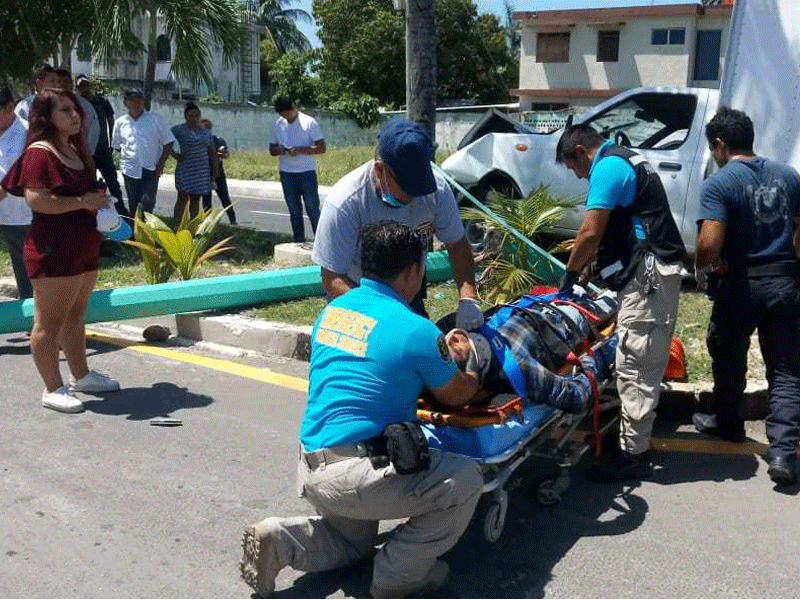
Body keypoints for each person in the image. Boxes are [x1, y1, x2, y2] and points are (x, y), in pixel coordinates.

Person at [240, 221, 484, 599]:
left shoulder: (334, 310)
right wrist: (471, 363)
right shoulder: (416, 330)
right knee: (466, 479)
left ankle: (281, 539)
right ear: (413, 270)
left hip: (313, 462)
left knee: (352, 544)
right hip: (358, 473)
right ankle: (397, 577)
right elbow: (455, 394)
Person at [556, 124, 686, 482]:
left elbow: (590, 231)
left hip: (649, 280)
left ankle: (633, 456)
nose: (579, 177)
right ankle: (631, 441)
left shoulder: (608, 167)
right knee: (634, 360)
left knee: (636, 364)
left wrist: (569, 274)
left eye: (575, 168)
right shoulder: (626, 160)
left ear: (580, 151)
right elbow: (618, 228)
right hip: (650, 275)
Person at [692, 107, 800, 486]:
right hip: (784, 283)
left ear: (720, 144)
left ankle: (729, 424)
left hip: (740, 284)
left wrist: (701, 268)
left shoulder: (720, 183)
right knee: (785, 368)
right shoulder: (789, 176)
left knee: (727, 354)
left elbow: (709, 243)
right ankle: (784, 451)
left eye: (713, 148)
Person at [0, 89, 120, 413]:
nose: (75, 115)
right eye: (65, 110)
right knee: (49, 322)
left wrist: (95, 199)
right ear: (46, 117)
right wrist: (82, 201)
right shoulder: (41, 152)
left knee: (76, 315)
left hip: (83, 243)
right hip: (53, 248)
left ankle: (81, 376)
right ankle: (52, 388)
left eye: (75, 109)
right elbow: (37, 200)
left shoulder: (73, 148)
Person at [312, 117, 484, 330]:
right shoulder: (345, 203)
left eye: (419, 186)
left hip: (407, 292)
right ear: (380, 169)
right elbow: (332, 277)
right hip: (355, 298)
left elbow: (457, 245)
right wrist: (384, 316)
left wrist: (468, 299)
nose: (413, 196)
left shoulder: (436, 191)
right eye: (406, 187)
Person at [111, 88, 175, 216]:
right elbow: (117, 146)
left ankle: (146, 227)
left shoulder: (155, 119)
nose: (136, 103)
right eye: (132, 100)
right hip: (130, 170)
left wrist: (161, 164)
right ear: (125, 103)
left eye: (138, 100)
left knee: (147, 204)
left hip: (151, 169)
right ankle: (135, 228)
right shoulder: (120, 122)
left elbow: (168, 142)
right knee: (133, 206)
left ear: (143, 102)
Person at [269, 97, 325, 242]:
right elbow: (271, 149)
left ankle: (321, 243)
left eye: (288, 114)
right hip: (286, 173)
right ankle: (298, 241)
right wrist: (279, 150)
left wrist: (300, 150)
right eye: (283, 115)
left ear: (293, 108)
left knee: (312, 209)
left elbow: (321, 147)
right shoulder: (278, 124)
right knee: (294, 211)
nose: (286, 118)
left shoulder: (309, 122)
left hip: (306, 172)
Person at [75, 75, 126, 216]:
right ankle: (91, 213)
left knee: (113, 183)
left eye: (86, 84)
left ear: (91, 85)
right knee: (88, 184)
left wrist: (112, 143)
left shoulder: (102, 102)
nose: (84, 88)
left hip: (103, 150)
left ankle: (121, 212)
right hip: (86, 152)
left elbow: (111, 121)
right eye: (81, 86)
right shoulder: (77, 104)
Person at [0, 87, 33, 300]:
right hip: (4, 214)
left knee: (28, 268)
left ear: (10, 107)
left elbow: (27, 173)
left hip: (22, 215)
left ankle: (35, 313)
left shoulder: (27, 134)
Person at [170, 102, 218, 223]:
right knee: (182, 198)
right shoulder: (178, 130)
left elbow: (212, 151)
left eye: (196, 116)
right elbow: (165, 141)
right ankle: (177, 225)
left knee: (196, 199)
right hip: (185, 169)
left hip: (201, 170)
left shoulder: (206, 132)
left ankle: (192, 226)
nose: (194, 118)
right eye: (190, 116)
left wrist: (215, 169)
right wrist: (175, 155)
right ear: (185, 117)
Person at [54, 69, 99, 156]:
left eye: (66, 81)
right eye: (59, 81)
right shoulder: (49, 106)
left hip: (79, 154)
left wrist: (87, 153)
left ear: (72, 84)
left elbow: (93, 130)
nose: (62, 85)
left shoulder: (85, 105)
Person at [200, 118, 236, 224]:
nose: (206, 130)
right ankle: (208, 222)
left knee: (225, 198)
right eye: (203, 128)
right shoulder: (199, 142)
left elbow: (226, 154)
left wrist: (222, 153)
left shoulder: (217, 140)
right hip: (204, 174)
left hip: (218, 173)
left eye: (208, 127)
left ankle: (233, 220)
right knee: (206, 200)